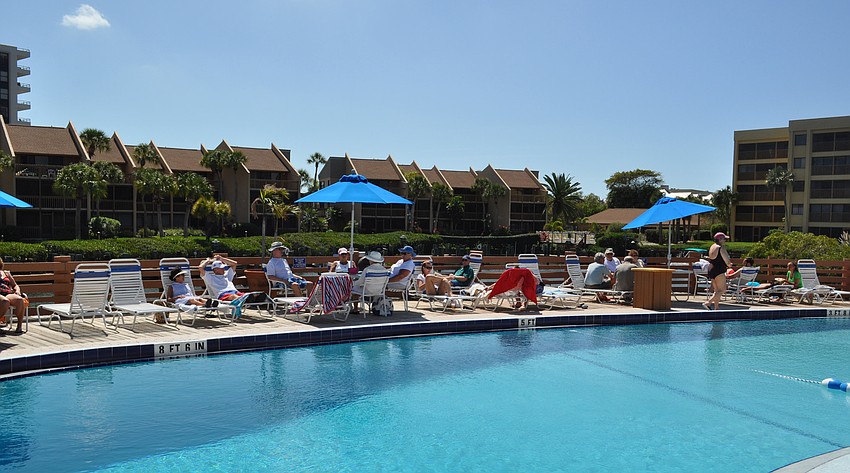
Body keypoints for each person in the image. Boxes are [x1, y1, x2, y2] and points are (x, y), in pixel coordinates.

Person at [704, 232, 733, 311]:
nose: (725, 241)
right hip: (719, 270)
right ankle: (708, 303)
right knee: (722, 290)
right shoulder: (721, 248)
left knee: (717, 290)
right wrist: (730, 265)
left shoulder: (712, 246)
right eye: (724, 239)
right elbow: (727, 261)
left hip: (711, 269)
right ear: (720, 239)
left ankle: (716, 308)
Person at [0, 257, 26, 333]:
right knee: (5, 302)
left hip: (7, 292)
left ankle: (19, 326)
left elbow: (15, 285)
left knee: (19, 300)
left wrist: (17, 291)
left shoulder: (6, 273)